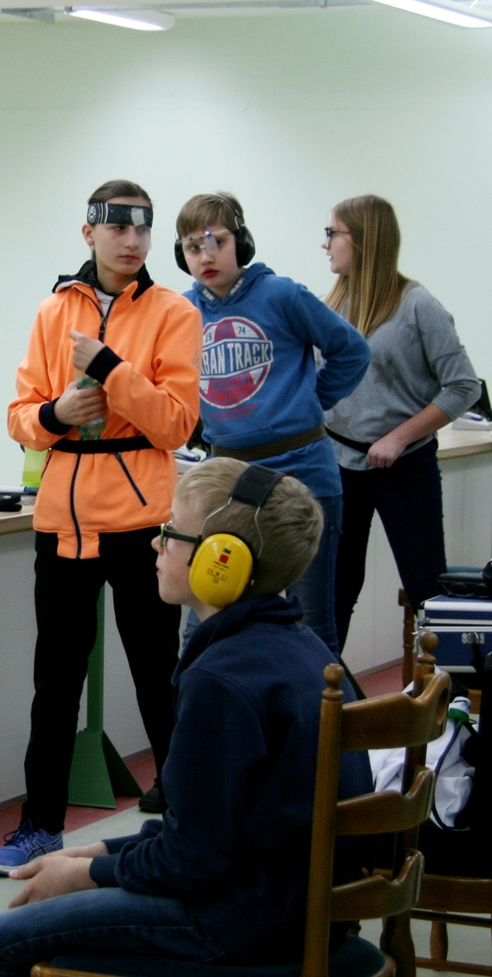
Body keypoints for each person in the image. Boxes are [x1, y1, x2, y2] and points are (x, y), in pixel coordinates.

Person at [0, 458, 373, 977]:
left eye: (171, 532)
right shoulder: (302, 649)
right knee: (60, 945)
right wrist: (96, 851)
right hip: (293, 910)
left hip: (239, 922)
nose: (155, 545)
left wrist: (86, 875)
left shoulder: (221, 680)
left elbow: (191, 862)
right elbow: (205, 829)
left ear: (223, 561)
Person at [0, 180, 202, 869]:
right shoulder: (53, 310)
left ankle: (189, 822)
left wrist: (111, 370)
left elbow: (177, 423)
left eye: (142, 229)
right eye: (117, 227)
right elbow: (20, 413)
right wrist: (55, 416)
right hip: (62, 524)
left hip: (144, 525)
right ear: (89, 232)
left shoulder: (174, 313)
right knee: (54, 682)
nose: (131, 241)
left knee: (158, 676)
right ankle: (38, 826)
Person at [177, 193, 370, 654]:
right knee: (202, 623)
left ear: (241, 244)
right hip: (228, 480)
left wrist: (309, 401)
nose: (205, 257)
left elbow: (352, 352)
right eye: (192, 247)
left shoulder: (283, 295)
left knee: (313, 624)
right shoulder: (182, 312)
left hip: (304, 473)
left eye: (217, 243)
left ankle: (316, 704)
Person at [321, 195, 480, 653]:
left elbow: (464, 386)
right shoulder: (330, 304)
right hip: (338, 465)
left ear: (364, 240)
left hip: (405, 465)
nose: (325, 244)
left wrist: (398, 437)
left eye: (332, 233)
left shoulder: (417, 306)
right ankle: (323, 692)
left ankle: (444, 689)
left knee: (426, 585)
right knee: (335, 591)